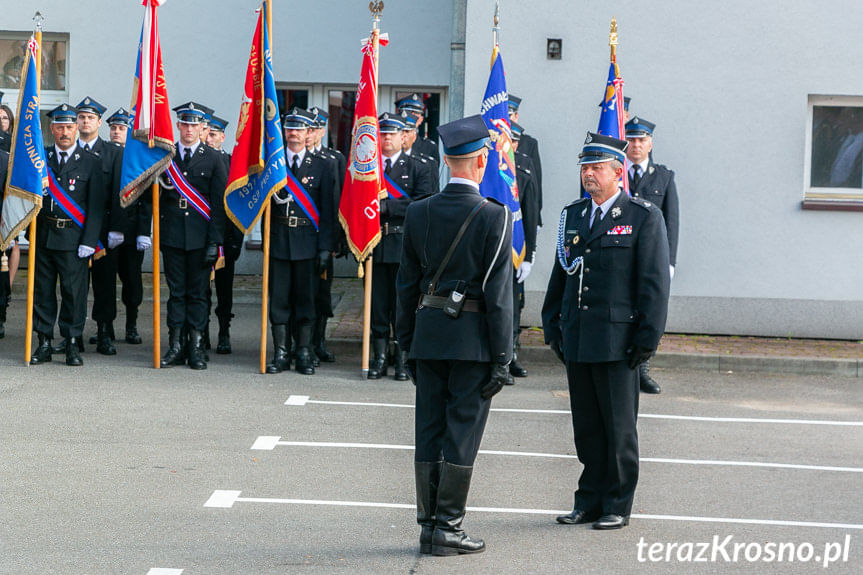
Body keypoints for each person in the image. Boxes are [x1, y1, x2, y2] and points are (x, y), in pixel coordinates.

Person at [396, 115, 512, 556]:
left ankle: (429, 527)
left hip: (427, 337)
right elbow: (499, 298)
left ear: (446, 161)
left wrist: (405, 341)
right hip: (472, 343)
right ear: (481, 161)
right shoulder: (493, 217)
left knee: (428, 428)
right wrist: (502, 356)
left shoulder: (419, 210)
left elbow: (406, 285)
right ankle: (448, 527)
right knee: (461, 432)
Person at [542, 131, 669, 530]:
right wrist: (552, 325)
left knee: (618, 429)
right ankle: (588, 500)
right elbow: (561, 275)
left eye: (596, 167)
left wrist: (647, 340)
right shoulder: (574, 215)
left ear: (618, 172)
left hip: (618, 341)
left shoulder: (642, 216)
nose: (588, 174)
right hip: (579, 335)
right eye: (585, 167)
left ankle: (616, 503)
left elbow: (653, 285)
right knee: (587, 427)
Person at [31, 104, 106, 366]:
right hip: (44, 236)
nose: (64, 132)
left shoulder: (91, 163)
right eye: (59, 127)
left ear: (77, 128)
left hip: (74, 239)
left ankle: (72, 342)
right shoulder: (41, 160)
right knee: (42, 292)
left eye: (69, 126)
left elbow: (96, 208)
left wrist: (89, 241)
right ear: (52, 129)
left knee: (74, 294)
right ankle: (43, 342)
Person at [265, 107, 334, 375]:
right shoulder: (274, 164)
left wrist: (326, 247)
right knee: (279, 300)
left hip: (308, 242)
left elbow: (327, 211)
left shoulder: (322, 166)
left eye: (299, 129)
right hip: (280, 241)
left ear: (308, 134)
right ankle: (281, 352)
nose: (293, 134)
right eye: (290, 128)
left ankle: (304, 351)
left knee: (306, 299)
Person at [158, 102, 227, 370]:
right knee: (176, 293)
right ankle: (175, 345)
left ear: (203, 128)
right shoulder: (166, 156)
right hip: (172, 235)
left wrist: (215, 241)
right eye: (184, 124)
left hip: (201, 237)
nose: (188, 129)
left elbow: (219, 204)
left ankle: (196, 347)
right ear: (177, 125)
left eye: (194, 124)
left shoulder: (214, 158)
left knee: (198, 294)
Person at [368, 112, 436, 380]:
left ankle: (402, 357)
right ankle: (379, 357)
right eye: (382, 133)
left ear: (403, 137)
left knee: (403, 304)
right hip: (375, 244)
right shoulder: (368, 168)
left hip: (404, 244)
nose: (386, 138)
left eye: (392, 134)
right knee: (377, 305)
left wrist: (388, 206)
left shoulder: (418, 166)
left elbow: (424, 203)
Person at [625, 117, 680, 394]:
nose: (635, 145)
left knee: (649, 309)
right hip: (620, 255)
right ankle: (622, 364)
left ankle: (643, 369)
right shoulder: (614, 174)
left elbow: (671, 221)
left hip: (650, 257)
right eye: (631, 140)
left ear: (650, 143)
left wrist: (669, 261)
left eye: (641, 140)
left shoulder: (663, 177)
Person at [74, 97, 124, 356]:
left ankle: (105, 331)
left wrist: (117, 228)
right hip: (73, 228)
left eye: (90, 118)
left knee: (104, 283)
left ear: (99, 123)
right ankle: (73, 334)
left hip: (104, 230)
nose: (85, 121)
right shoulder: (69, 149)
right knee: (75, 284)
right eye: (81, 117)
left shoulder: (113, 153)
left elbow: (118, 193)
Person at [107, 107, 150, 344]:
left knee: (131, 280)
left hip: (132, 232)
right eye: (113, 128)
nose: (116, 132)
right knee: (106, 281)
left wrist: (144, 231)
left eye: (121, 128)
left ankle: (131, 325)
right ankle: (106, 326)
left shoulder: (138, 159)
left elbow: (145, 200)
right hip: (108, 229)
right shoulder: (103, 154)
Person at [305, 106, 344, 365]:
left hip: (323, 238)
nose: (311, 133)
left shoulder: (334, 159)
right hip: (299, 238)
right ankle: (302, 343)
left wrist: (335, 241)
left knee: (321, 293)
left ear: (323, 130)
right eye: (308, 128)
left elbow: (337, 203)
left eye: (316, 128)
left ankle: (318, 341)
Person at [205, 114, 242, 354]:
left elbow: (238, 204)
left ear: (223, 138)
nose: (209, 139)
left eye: (214, 135)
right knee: (201, 289)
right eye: (206, 133)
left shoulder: (231, 164)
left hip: (226, 239)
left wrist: (237, 240)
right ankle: (201, 332)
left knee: (224, 288)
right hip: (200, 235)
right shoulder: (193, 162)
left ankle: (224, 330)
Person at [508, 121, 540, 380]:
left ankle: (510, 356)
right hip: (488, 251)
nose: (511, 145)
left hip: (514, 250)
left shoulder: (525, 169)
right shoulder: (486, 168)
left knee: (513, 306)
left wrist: (528, 256)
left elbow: (531, 214)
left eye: (515, 141)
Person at [507, 95, 543, 226]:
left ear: (516, 116)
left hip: (523, 208)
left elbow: (536, 182)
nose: (507, 121)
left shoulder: (529, 143)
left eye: (509, 117)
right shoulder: (494, 143)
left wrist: (536, 216)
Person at [395, 93, 440, 170]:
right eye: (408, 112)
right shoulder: (390, 143)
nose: (412, 116)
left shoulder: (429, 147)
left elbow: (432, 177)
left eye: (416, 113)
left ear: (421, 119)